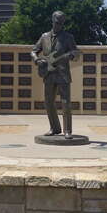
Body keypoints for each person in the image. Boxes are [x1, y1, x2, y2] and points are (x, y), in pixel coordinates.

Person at [31, 11, 79, 139]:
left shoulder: (68, 37)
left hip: (63, 74)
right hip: (48, 73)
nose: (59, 25)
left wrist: (72, 55)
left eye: (61, 23)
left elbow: (75, 53)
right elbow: (34, 51)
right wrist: (37, 59)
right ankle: (55, 128)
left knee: (65, 103)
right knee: (48, 102)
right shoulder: (44, 36)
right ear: (52, 21)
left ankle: (67, 130)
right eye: (57, 22)